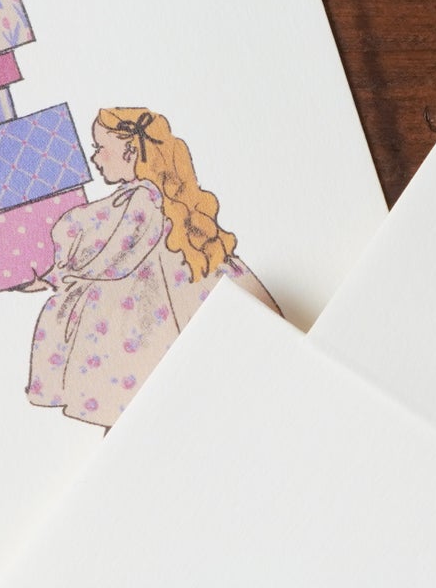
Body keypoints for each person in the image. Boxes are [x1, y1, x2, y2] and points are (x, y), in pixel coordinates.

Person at [22, 108, 277, 429]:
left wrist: (54, 276)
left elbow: (103, 250)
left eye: (100, 148)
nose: (95, 158)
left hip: (147, 316)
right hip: (165, 303)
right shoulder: (151, 197)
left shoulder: (142, 199)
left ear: (130, 151)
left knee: (147, 410)